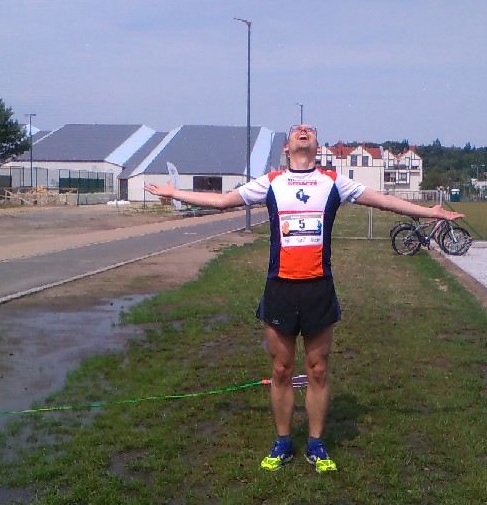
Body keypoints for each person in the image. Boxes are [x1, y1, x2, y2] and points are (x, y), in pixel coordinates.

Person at [144, 125, 463, 473]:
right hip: (280, 288)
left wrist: (430, 213)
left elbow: (383, 200)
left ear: (316, 145)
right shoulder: (271, 182)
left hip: (318, 289)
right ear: (286, 147)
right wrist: (175, 192)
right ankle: (283, 442)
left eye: (309, 130)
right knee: (281, 370)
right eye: (297, 129)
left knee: (318, 370)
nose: (303, 130)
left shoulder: (333, 182)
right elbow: (222, 200)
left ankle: (316, 443)